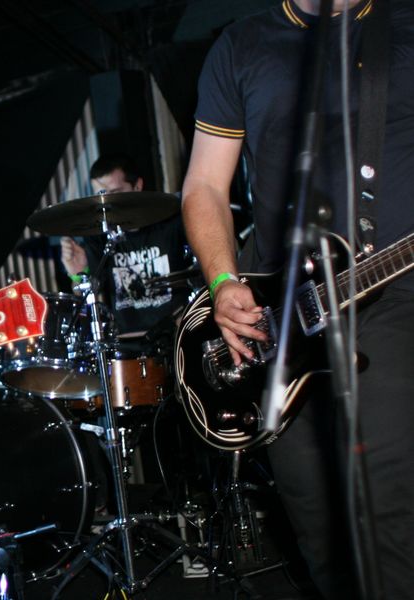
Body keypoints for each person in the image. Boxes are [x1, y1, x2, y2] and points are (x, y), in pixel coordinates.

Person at [182, 1, 414, 598]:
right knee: (320, 535)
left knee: (389, 521)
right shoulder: (241, 46)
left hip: (393, 295)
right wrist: (223, 282)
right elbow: (204, 185)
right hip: (284, 321)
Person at [60, 154, 192, 337]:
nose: (108, 203)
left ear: (137, 186)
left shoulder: (169, 221)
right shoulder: (98, 236)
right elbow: (87, 297)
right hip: (128, 341)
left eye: (115, 193)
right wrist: (78, 274)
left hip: (178, 333)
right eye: (101, 195)